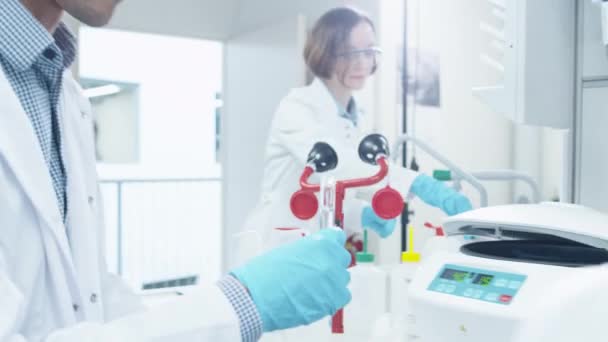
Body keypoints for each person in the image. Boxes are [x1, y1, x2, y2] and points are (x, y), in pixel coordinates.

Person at [0, 0, 351, 341]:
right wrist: (240, 306)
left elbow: (91, 298)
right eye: (353, 52)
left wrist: (218, 311)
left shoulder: (65, 96)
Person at [242, 7, 472, 250]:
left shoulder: (357, 115)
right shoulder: (297, 107)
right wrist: (415, 182)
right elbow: (336, 165)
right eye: (350, 53)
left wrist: (361, 214)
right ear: (325, 53)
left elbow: (330, 192)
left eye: (369, 51)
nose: (362, 62)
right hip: (276, 242)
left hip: (316, 245)